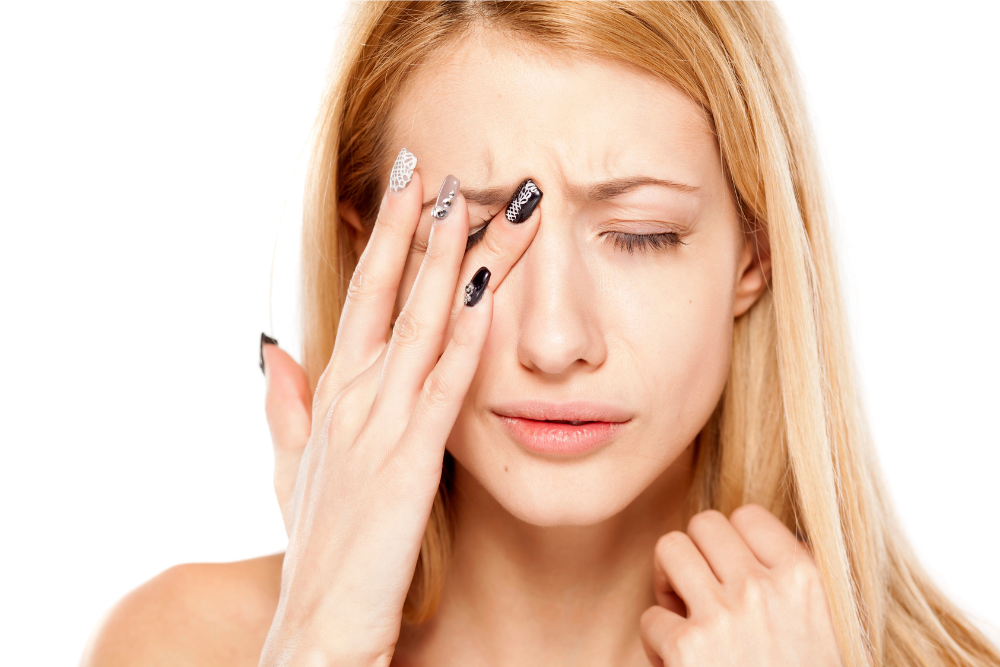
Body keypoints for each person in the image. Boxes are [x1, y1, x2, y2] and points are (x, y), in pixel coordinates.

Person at [81, 2, 1000, 666]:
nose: (557, 342)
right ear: (374, 259)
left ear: (754, 255)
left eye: (641, 234)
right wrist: (317, 641)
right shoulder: (190, 645)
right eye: (475, 235)